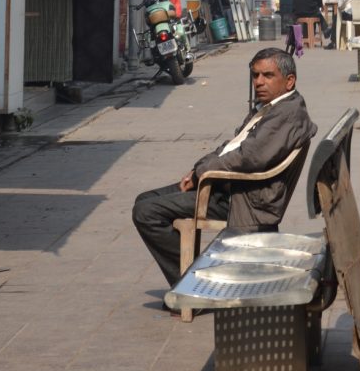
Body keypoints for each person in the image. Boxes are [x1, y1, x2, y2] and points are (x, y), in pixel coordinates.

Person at [132, 48, 316, 288]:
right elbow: (231, 146)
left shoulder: (287, 114)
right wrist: (198, 169)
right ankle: (191, 276)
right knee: (144, 199)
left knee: (146, 213)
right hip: (226, 185)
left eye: (268, 76)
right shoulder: (270, 107)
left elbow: (248, 157)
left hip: (242, 199)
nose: (259, 82)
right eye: (256, 75)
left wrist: (202, 172)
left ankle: (192, 286)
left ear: (289, 80)